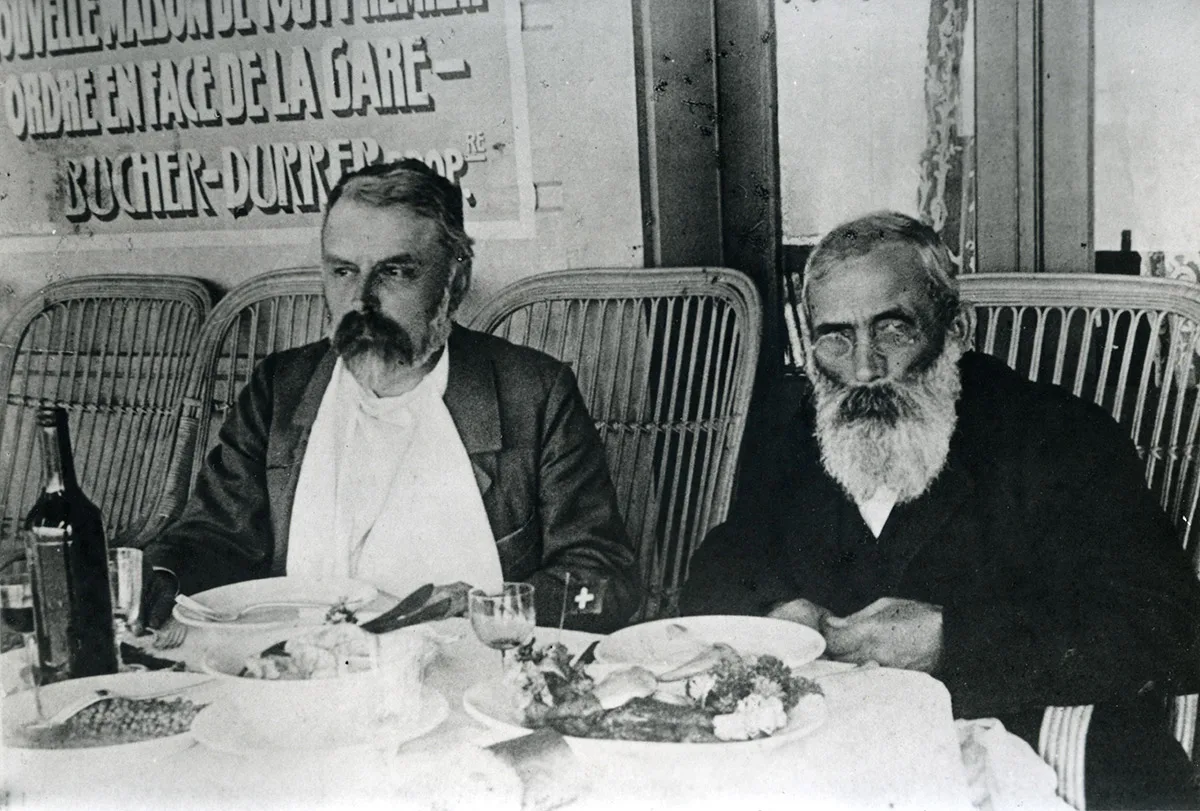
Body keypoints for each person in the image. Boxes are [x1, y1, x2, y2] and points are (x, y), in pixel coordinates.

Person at [681, 211, 1200, 808]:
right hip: (831, 761)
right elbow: (719, 569)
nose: (864, 368)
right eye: (836, 336)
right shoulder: (803, 435)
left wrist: (954, 638)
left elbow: (1163, 623)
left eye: (893, 331)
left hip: (1014, 756)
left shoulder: (1057, 437)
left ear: (954, 331)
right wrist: (776, 611)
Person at [143, 159, 640, 633]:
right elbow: (211, 537)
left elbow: (604, 578)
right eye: (343, 271)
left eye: (394, 272)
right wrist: (161, 580)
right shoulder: (282, 388)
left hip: (474, 676)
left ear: (455, 279)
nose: (362, 301)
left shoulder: (533, 394)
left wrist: (486, 609)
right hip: (302, 672)